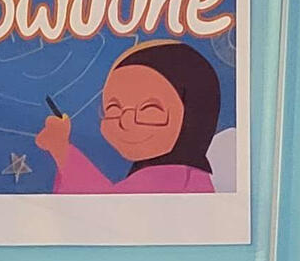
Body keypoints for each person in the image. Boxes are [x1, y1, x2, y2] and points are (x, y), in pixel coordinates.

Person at [34, 42, 222, 195]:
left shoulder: (177, 177)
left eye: (149, 111)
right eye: (113, 109)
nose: (124, 122)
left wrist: (62, 150)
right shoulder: (169, 174)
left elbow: (105, 208)